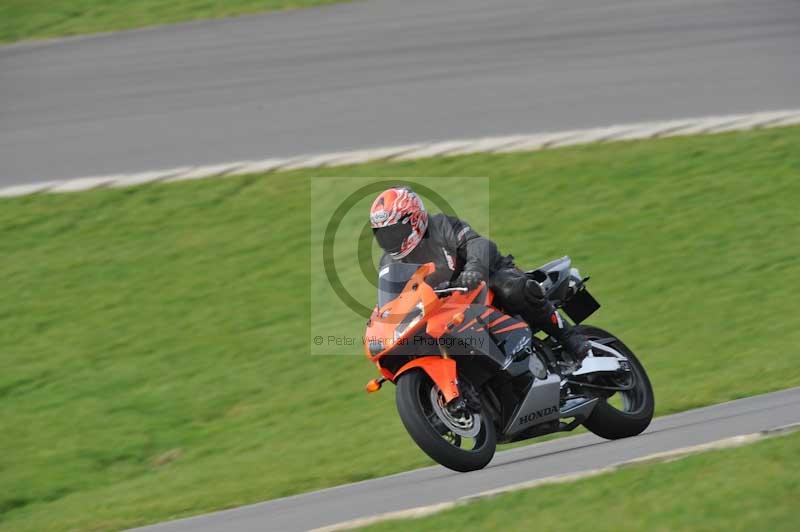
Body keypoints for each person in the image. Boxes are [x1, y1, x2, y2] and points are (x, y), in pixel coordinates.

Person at [370, 186, 591, 365]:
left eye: (395, 232)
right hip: (447, 307)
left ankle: (571, 338)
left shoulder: (442, 226)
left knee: (511, 290)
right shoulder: (389, 262)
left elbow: (479, 244)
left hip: (485, 277)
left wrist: (473, 269)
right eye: (384, 235)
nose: (391, 240)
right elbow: (394, 300)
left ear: (414, 219)